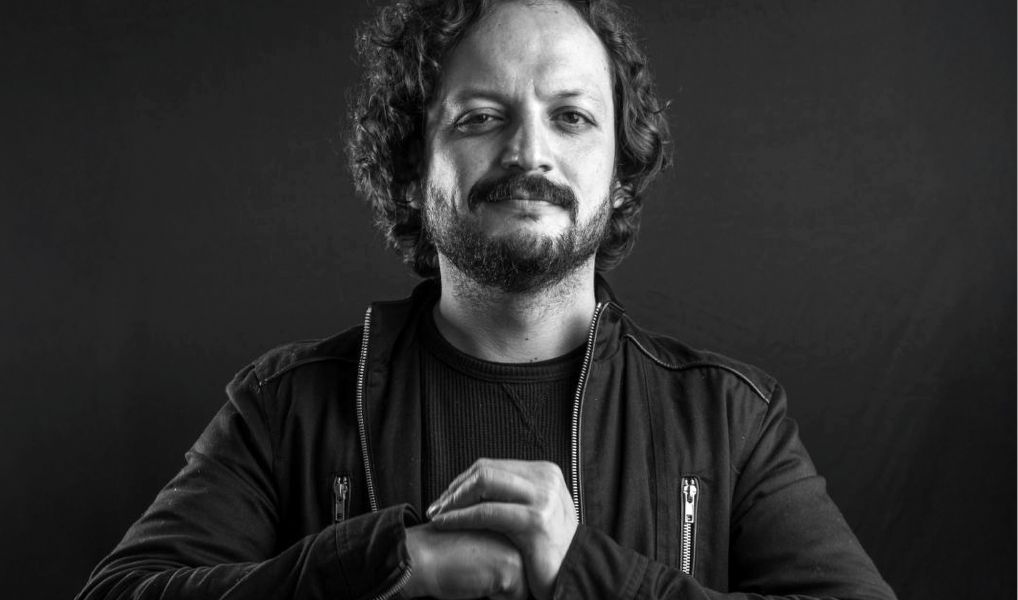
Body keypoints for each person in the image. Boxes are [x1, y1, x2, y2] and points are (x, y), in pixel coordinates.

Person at [77, 1, 897, 598]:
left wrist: (585, 571)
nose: (529, 151)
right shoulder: (285, 407)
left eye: (571, 117)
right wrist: (387, 563)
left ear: (620, 173)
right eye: (480, 118)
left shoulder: (731, 419)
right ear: (411, 168)